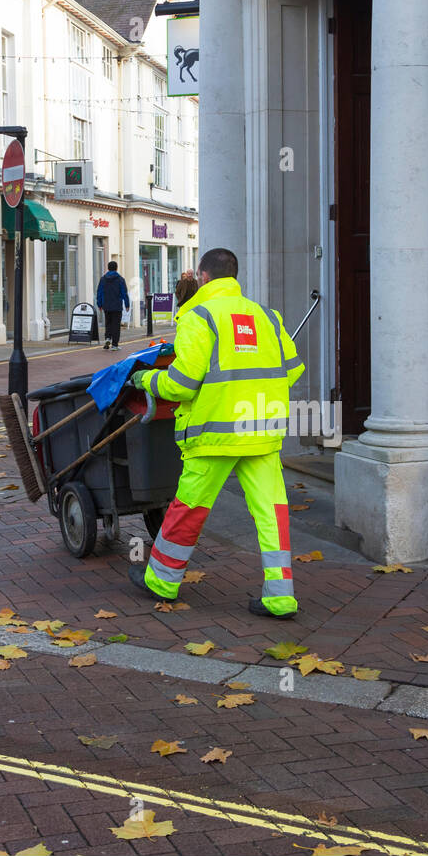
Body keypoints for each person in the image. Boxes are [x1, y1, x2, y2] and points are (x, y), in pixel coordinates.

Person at [127, 248, 304, 618]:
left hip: (213, 434)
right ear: (233, 276)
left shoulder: (198, 316)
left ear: (204, 278)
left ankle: (162, 580)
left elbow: (182, 385)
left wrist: (146, 378)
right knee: (273, 513)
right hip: (262, 431)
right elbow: (292, 371)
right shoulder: (267, 317)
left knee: (189, 508)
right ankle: (280, 596)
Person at [95, 261, 130, 351]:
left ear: (108, 268)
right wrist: (127, 304)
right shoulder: (120, 279)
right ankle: (114, 345)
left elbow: (99, 292)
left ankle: (107, 338)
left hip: (106, 305)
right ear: (116, 268)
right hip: (117, 306)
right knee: (116, 325)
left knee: (108, 323)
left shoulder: (103, 279)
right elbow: (124, 293)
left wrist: (99, 304)